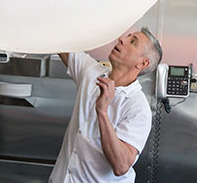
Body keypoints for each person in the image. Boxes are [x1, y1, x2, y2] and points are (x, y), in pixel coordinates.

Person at [49, 27, 163, 183]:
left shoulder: (138, 107)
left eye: (133, 42)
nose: (122, 40)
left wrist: (102, 111)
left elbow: (121, 166)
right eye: (127, 36)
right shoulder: (91, 72)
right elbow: (58, 41)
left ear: (142, 63)